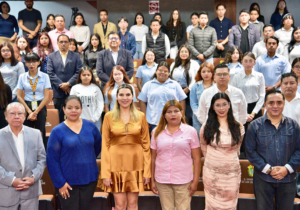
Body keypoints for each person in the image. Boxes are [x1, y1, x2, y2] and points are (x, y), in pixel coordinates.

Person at [246, 90, 300, 210]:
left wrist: (287, 169)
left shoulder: (293, 125)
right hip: (263, 179)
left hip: (288, 178)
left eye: (279, 102)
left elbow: (299, 150)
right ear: (265, 104)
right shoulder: (254, 126)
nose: (275, 106)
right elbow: (250, 151)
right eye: (271, 103)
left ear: (284, 104)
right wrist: (268, 169)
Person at [99, 84, 151, 210]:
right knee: (120, 205)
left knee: (133, 204)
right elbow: (105, 146)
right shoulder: (108, 116)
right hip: (116, 166)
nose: (125, 98)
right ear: (116, 97)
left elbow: (146, 145)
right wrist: (105, 173)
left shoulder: (141, 116)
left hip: (136, 165)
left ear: (133, 97)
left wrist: (147, 172)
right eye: (121, 95)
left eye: (128, 94)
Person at [47, 95, 102, 210]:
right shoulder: (57, 131)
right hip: (67, 183)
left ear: (81, 109)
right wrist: (60, 183)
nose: (73, 111)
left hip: (89, 179)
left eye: (77, 108)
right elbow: (52, 160)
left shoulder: (91, 126)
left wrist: (86, 159)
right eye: (70, 108)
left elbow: (97, 147)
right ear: (64, 109)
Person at [151, 100, 200, 210]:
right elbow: (153, 158)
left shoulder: (191, 131)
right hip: (162, 180)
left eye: (176, 111)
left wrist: (195, 181)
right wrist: (152, 180)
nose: (173, 114)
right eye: (169, 112)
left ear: (182, 112)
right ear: (164, 115)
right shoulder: (156, 132)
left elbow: (196, 158)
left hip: (183, 180)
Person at [200, 92, 244, 210]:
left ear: (229, 105)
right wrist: (214, 160)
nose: (221, 108)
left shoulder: (237, 126)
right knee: (212, 205)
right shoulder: (206, 126)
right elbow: (203, 146)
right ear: (213, 107)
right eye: (217, 105)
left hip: (232, 173)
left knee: (230, 204)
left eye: (224, 104)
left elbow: (238, 146)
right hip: (212, 173)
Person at [0, 102, 46, 210]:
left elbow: (42, 159)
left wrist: (33, 177)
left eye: (20, 113)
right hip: (6, 193)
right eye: (12, 113)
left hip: (30, 193)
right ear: (6, 116)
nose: (16, 116)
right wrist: (11, 180)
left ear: (25, 116)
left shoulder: (36, 134)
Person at [231, 52, 265, 157]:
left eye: (250, 61)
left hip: (255, 108)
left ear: (254, 62)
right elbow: (233, 95)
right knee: (242, 133)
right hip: (241, 108)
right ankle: (242, 157)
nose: (248, 63)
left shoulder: (259, 76)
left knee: (256, 133)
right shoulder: (237, 77)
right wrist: (244, 113)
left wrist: (253, 113)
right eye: (245, 61)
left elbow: (262, 96)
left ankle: (256, 156)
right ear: (242, 62)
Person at [138, 61, 187, 133]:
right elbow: (142, 101)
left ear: (169, 73)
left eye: (165, 71)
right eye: (160, 70)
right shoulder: (148, 85)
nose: (162, 72)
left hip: (173, 121)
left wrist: (181, 117)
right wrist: (145, 119)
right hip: (153, 122)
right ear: (156, 71)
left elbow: (182, 100)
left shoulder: (175, 84)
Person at [16, 52, 51, 146]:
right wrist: (29, 111)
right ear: (25, 63)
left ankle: (42, 156)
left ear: (38, 62)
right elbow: (19, 96)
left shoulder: (45, 76)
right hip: (26, 105)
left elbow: (47, 97)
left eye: (34, 61)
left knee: (41, 132)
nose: (31, 64)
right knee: (27, 133)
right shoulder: (22, 77)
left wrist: (35, 112)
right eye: (29, 62)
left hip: (40, 106)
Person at [47, 34, 82, 123]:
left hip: (72, 90)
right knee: (59, 117)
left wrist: (68, 84)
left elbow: (79, 72)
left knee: (73, 115)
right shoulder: (51, 56)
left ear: (69, 43)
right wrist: (62, 85)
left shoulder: (76, 56)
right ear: (57, 43)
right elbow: (50, 73)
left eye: (66, 42)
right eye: (61, 42)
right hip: (58, 92)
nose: (63, 44)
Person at [170, 45, 200, 125]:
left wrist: (188, 88)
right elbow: (170, 78)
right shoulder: (174, 64)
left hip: (189, 92)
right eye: (182, 51)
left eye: (186, 52)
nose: (184, 53)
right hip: (175, 92)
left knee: (188, 115)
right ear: (178, 53)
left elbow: (196, 78)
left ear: (189, 53)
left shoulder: (194, 64)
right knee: (175, 114)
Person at [190, 62, 214, 136]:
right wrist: (200, 116)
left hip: (214, 116)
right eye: (203, 71)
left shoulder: (217, 86)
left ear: (213, 73)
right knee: (199, 138)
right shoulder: (195, 86)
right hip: (198, 118)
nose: (206, 74)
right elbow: (193, 103)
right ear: (200, 73)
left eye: (208, 71)